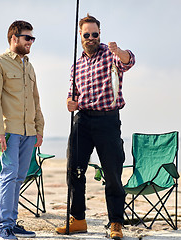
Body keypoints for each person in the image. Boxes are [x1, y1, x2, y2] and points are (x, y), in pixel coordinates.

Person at [55, 14, 135, 239]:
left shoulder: (111, 56)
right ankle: (78, 218)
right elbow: (73, 96)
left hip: (108, 120)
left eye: (95, 34)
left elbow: (129, 61)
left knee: (112, 172)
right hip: (83, 120)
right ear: (80, 36)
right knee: (74, 169)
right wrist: (70, 103)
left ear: (100, 34)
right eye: (86, 34)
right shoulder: (76, 65)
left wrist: (119, 51)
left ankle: (116, 222)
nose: (91, 38)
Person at [0, 20, 44, 240]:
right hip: (9, 131)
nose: (31, 42)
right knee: (9, 176)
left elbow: (36, 100)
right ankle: (5, 227)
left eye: (32, 38)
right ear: (14, 38)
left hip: (29, 132)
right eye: (27, 37)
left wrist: (39, 128)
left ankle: (13, 223)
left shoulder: (29, 66)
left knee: (19, 177)